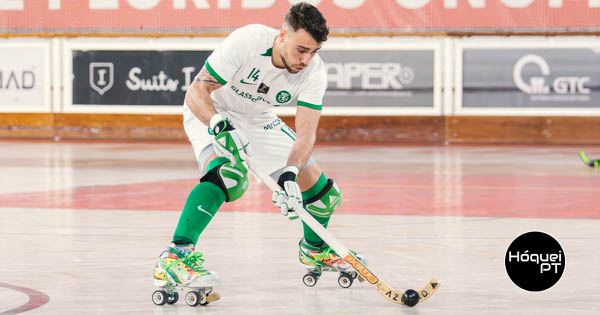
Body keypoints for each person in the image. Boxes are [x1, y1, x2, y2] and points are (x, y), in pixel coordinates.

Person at [153, 2, 364, 293]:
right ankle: (175, 257)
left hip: (259, 118)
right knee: (231, 177)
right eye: (301, 50)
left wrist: (289, 174)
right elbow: (197, 91)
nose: (306, 59)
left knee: (325, 196)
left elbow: (306, 133)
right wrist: (217, 124)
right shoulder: (249, 40)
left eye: (314, 51)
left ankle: (314, 249)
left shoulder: (314, 70)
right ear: (282, 36)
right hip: (212, 109)